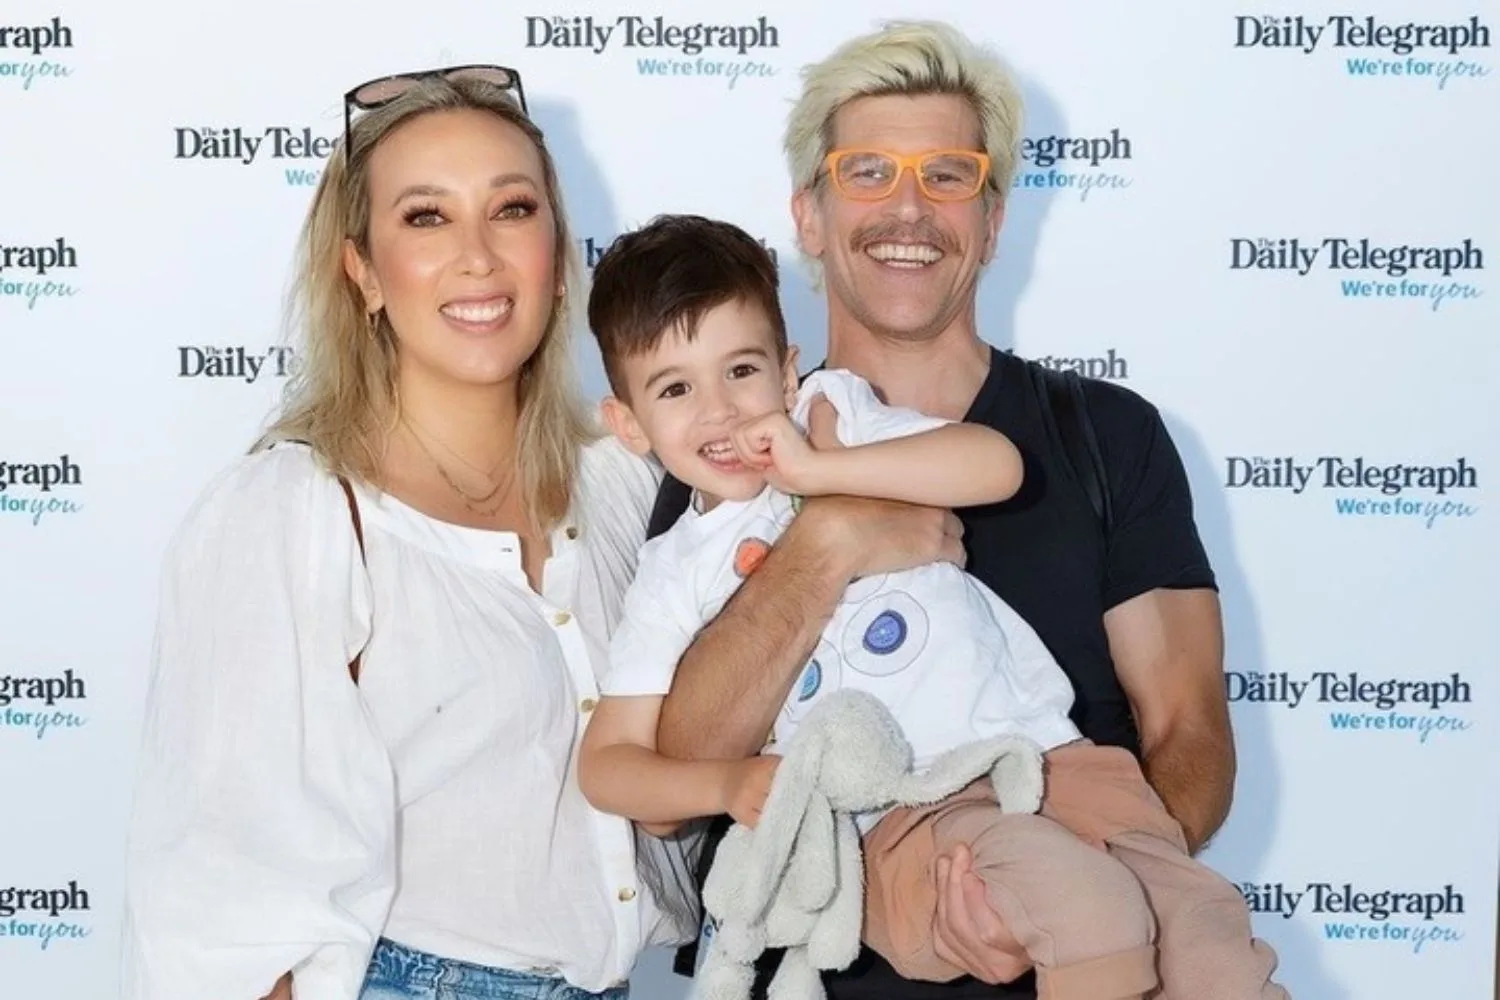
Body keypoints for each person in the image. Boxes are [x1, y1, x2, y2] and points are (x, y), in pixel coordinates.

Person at [645, 21, 1245, 1000]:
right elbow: (681, 767)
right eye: (870, 171)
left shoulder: (1106, 436)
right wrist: (829, 542)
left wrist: (1080, 891)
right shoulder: (727, 455)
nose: (910, 209)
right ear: (808, 214)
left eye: (949, 175)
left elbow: (1189, 725)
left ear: (994, 219)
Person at [577, 215, 1287, 1000]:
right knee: (1088, 912)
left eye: (740, 370)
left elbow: (996, 465)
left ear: (787, 372)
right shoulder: (672, 568)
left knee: (1210, 937)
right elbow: (612, 766)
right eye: (676, 389)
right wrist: (726, 785)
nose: (720, 411)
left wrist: (821, 469)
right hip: (911, 810)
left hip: (1051, 758)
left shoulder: (833, 416)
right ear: (629, 426)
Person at [120, 67, 696, 1000]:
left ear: (556, 255)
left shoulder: (627, 482)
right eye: (426, 218)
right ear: (363, 273)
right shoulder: (295, 512)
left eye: (511, 210)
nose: (478, 256)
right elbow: (222, 909)